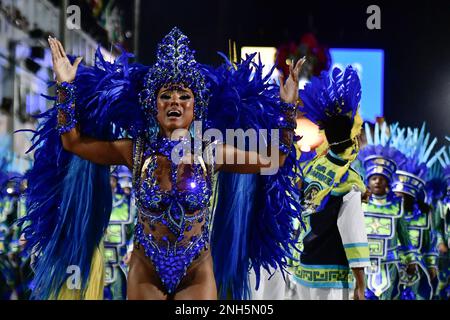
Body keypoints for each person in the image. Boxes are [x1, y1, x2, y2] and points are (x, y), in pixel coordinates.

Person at [21, 27, 304, 300]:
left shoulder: (210, 152)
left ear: (196, 106)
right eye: (166, 95)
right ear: (153, 105)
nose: (175, 102)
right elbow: (73, 143)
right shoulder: (135, 149)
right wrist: (65, 87)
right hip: (146, 269)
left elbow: (273, 159)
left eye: (184, 96)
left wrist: (288, 107)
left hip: (197, 270)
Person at [290, 66, 370, 300]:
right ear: (353, 139)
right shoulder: (348, 181)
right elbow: (353, 233)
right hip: (332, 280)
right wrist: (361, 284)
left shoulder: (310, 168)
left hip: (302, 271)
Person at [359, 122, 416, 299]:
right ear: (368, 181)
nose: (377, 182)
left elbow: (404, 237)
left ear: (387, 183)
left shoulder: (396, 207)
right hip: (362, 264)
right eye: (373, 178)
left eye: (381, 179)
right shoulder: (360, 205)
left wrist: (410, 260)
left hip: (388, 265)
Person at [390, 124, 442, 300]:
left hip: (416, 274)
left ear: (411, 197)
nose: (400, 199)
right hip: (390, 270)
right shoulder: (388, 211)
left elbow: (429, 243)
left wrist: (432, 266)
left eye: (403, 196)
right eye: (397, 195)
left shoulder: (423, 215)